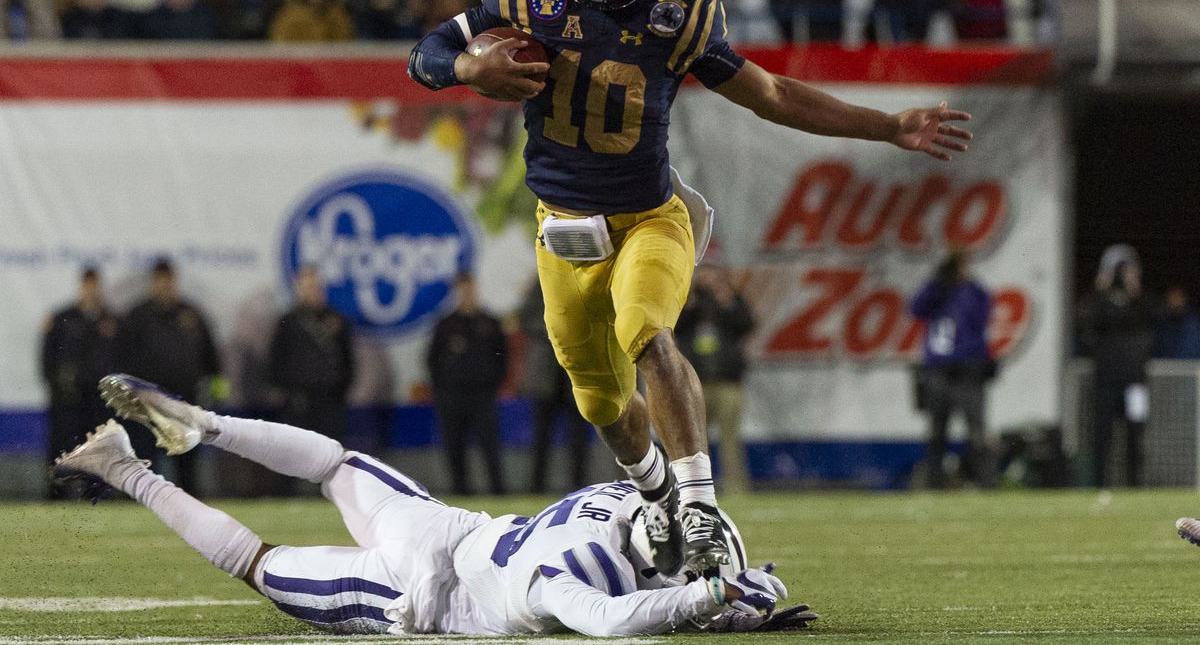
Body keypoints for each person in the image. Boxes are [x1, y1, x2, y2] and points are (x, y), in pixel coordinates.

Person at [407, 0, 972, 577]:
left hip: (649, 218)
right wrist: (464, 68)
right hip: (563, 229)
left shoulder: (680, 11)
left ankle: (700, 508)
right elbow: (423, 54)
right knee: (598, 400)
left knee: (647, 331)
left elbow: (771, 94)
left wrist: (886, 125)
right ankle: (657, 492)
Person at [56, 374, 808, 635]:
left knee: (334, 461)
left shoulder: (619, 503)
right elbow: (618, 619)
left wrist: (723, 601)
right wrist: (715, 596)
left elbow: (657, 570)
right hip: (418, 595)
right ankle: (124, 470)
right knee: (261, 563)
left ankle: (209, 425)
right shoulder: (574, 574)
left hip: (448, 528)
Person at [115, 257, 220, 495]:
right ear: (153, 282)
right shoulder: (138, 316)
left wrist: (215, 396)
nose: (164, 285)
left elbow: (211, 361)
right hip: (147, 404)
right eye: (160, 280)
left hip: (184, 402)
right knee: (145, 461)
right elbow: (120, 358)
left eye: (168, 280)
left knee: (186, 461)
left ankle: (190, 504)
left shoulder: (191, 315)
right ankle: (142, 503)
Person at [909, 250, 995, 489]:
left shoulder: (973, 292)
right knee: (937, 433)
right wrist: (938, 282)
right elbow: (915, 309)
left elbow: (983, 315)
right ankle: (934, 484)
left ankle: (985, 484)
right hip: (939, 369)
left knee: (976, 432)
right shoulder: (938, 290)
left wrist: (964, 285)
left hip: (968, 370)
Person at [675, 262, 755, 494]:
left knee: (730, 439)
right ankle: (698, 489)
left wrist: (727, 302)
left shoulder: (730, 299)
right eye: (705, 273)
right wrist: (690, 302)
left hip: (727, 382)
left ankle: (736, 487)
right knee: (696, 441)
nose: (709, 278)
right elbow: (674, 327)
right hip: (695, 383)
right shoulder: (689, 300)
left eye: (714, 273)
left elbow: (748, 324)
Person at [426, 272, 508, 495]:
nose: (467, 294)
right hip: (452, 397)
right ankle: (460, 492)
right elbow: (432, 361)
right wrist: (443, 390)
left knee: (490, 447)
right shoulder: (446, 325)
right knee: (455, 447)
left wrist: (492, 383)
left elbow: (503, 358)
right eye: (462, 290)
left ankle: (498, 492)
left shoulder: (489, 323)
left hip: (483, 396)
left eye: (470, 289)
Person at [1079, 244, 1154, 487]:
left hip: (1135, 380)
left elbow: (1155, 318)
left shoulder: (1139, 301)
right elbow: (1087, 326)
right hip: (1107, 380)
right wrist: (1101, 288)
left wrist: (1136, 291)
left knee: (1136, 434)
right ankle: (1100, 484)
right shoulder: (1100, 301)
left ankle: (1135, 484)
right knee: (1103, 434)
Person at [40, 265, 118, 498]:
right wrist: (58, 387)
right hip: (68, 400)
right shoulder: (63, 317)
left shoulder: (110, 320)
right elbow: (47, 360)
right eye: (87, 285)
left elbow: (121, 358)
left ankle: (96, 496)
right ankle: (56, 496)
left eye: (95, 285)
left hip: (98, 401)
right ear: (81, 286)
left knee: (99, 451)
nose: (91, 290)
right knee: (62, 450)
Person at [266, 264, 355, 445]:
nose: (311, 292)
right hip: (298, 402)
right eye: (306, 288)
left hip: (330, 402)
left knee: (331, 452)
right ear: (298, 290)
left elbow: (347, 360)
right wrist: (288, 390)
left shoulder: (336, 320)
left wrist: (339, 390)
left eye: (315, 287)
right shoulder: (288, 322)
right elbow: (276, 361)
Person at [517, 280, 591, 494]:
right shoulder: (540, 281)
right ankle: (536, 486)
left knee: (578, 435)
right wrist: (556, 330)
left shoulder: (581, 278)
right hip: (546, 373)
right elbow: (525, 318)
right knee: (541, 435)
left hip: (574, 371)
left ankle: (579, 485)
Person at [1155, 286, 1200, 360]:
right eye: (1172, 298)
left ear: (1184, 299)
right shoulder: (1161, 328)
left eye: (1178, 297)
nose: (1175, 302)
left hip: (1191, 368)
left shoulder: (1194, 326)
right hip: (1166, 368)